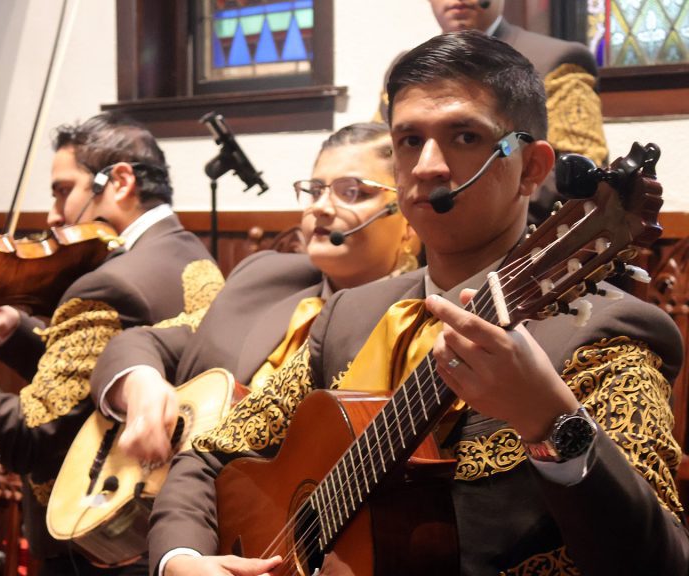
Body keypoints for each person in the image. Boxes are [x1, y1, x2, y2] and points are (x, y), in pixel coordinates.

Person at [151, 31, 689, 576]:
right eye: (409, 140)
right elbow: (207, 455)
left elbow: (660, 559)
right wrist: (181, 559)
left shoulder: (607, 338)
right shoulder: (349, 317)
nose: (428, 165)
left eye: (463, 136)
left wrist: (550, 422)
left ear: (531, 168)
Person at [0, 112, 221, 575]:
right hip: (170, 526)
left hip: (95, 542)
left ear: (121, 181)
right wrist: (17, 335)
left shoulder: (107, 285)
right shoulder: (189, 252)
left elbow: (33, 434)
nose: (54, 216)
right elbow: (94, 387)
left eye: (63, 190)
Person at [89, 122, 419, 464]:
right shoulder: (265, 276)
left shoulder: (414, 321)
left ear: (409, 220)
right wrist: (140, 384)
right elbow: (142, 342)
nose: (321, 207)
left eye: (352, 191)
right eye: (315, 190)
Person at [377, 0, 608, 225]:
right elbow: (377, 158)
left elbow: (576, 177)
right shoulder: (404, 68)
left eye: (468, 137)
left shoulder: (555, 59)